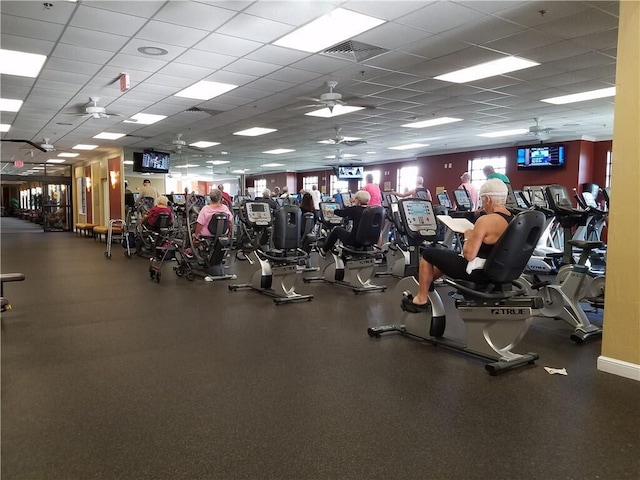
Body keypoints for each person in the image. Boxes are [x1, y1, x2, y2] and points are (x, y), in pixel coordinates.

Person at [402, 179, 513, 312]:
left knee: (428, 253)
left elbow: (468, 255)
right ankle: (425, 283)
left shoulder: (486, 220)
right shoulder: (512, 218)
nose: (483, 205)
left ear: (488, 199)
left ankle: (421, 298)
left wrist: (468, 236)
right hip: (495, 269)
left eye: (482, 201)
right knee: (445, 259)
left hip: (476, 271)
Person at [318, 190, 371, 256]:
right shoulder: (371, 210)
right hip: (368, 241)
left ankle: (324, 250)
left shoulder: (355, 209)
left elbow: (342, 213)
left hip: (354, 241)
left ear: (358, 200)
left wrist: (330, 210)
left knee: (337, 229)